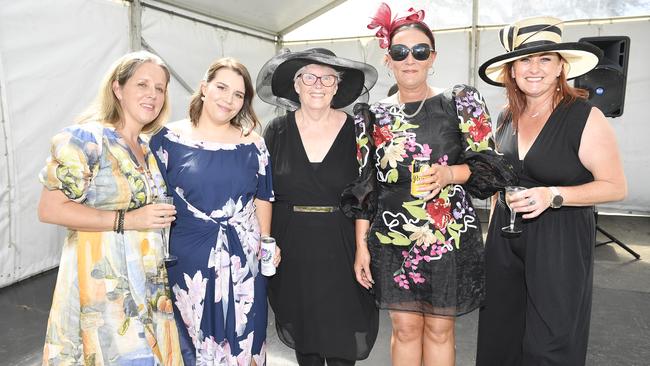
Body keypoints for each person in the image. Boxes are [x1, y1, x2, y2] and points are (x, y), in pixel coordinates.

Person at [341, 3, 517, 366]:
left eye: (419, 51)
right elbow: (365, 187)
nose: (410, 59)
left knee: (439, 332)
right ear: (387, 58)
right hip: (391, 239)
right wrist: (362, 247)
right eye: (400, 51)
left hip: (447, 236)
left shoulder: (460, 102)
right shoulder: (370, 115)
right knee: (403, 330)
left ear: (432, 56)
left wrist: (450, 174)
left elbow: (492, 168)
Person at [475, 16, 627, 366]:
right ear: (512, 71)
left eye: (545, 59)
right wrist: (489, 239)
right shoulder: (505, 117)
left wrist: (553, 195)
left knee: (549, 344)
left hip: (560, 237)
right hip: (505, 236)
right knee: (501, 334)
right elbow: (501, 179)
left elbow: (616, 186)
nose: (534, 68)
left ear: (561, 66)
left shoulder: (585, 117)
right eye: (525, 60)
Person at [38, 51, 182, 365]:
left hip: (146, 282)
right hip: (103, 289)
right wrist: (127, 220)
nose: (152, 95)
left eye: (160, 88)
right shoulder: (87, 139)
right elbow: (50, 209)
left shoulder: (146, 147)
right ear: (118, 88)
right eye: (142, 84)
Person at [149, 57, 279, 365]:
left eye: (238, 95)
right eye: (222, 87)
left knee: (247, 335)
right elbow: (153, 198)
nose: (229, 99)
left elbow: (263, 197)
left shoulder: (254, 144)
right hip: (187, 257)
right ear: (204, 88)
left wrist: (265, 243)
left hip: (245, 258)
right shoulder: (167, 139)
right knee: (190, 338)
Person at [256, 48, 380, 366]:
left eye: (327, 77)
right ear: (295, 85)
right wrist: (266, 240)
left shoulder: (358, 131)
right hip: (292, 248)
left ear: (337, 87)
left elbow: (366, 195)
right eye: (308, 76)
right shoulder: (276, 131)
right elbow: (263, 192)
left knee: (342, 336)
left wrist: (361, 248)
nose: (318, 84)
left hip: (342, 246)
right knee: (306, 338)